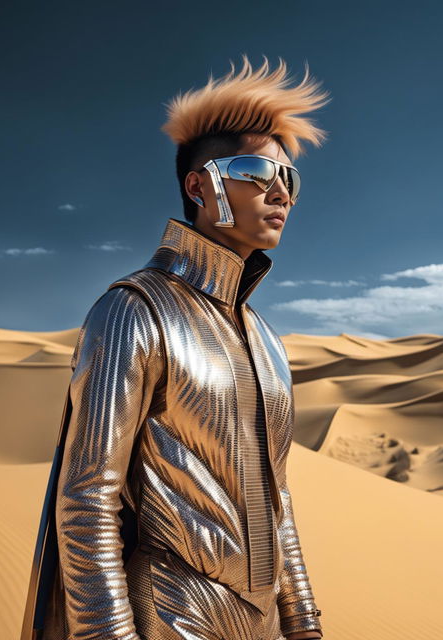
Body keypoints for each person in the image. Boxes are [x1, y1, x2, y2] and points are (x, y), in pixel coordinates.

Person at [21, 53, 331, 640]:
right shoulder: (134, 310)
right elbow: (88, 500)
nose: (280, 192)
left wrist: (305, 624)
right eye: (255, 174)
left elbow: (278, 501)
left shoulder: (266, 338)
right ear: (198, 184)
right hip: (170, 615)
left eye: (289, 178)